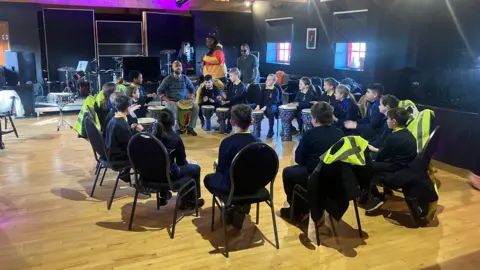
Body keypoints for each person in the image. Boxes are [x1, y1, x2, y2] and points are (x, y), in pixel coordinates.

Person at [280, 102, 344, 218]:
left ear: (314, 119)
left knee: (288, 172)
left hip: (315, 176)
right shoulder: (339, 133)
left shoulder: (310, 134)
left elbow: (299, 159)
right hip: (336, 177)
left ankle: (297, 210)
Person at [204, 104, 261, 229]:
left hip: (232, 187)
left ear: (232, 122)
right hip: (255, 186)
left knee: (208, 179)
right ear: (251, 122)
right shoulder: (260, 143)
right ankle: (240, 206)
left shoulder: (227, 143)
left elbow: (220, 170)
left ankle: (231, 206)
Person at [366, 107, 417, 213]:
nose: (387, 121)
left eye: (388, 119)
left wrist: (370, 153)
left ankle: (376, 198)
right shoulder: (408, 134)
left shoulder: (393, 137)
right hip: (407, 166)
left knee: (364, 165)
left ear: (394, 121)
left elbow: (381, 157)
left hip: (395, 168)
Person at [154, 109, 205, 209]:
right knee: (195, 168)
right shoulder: (175, 138)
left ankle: (163, 196)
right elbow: (181, 162)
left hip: (150, 174)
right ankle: (190, 202)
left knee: (161, 163)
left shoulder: (150, 136)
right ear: (173, 122)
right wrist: (189, 164)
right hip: (168, 176)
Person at [104, 95, 144, 182]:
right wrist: (139, 131)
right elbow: (130, 143)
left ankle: (126, 174)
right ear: (127, 108)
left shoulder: (115, 119)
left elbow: (124, 137)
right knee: (146, 154)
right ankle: (143, 182)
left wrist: (132, 128)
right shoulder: (120, 123)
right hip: (117, 157)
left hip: (112, 151)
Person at [157, 60, 199, 136]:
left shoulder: (185, 78)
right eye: (176, 66)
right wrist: (167, 100)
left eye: (180, 66)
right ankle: (176, 129)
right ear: (172, 68)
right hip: (172, 101)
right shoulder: (167, 79)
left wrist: (191, 97)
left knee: (196, 106)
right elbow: (159, 91)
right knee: (174, 108)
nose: (178, 67)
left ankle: (191, 128)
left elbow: (192, 89)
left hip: (184, 100)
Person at [219, 68, 247, 133]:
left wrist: (226, 102)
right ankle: (221, 124)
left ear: (236, 75)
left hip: (240, 104)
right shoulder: (231, 84)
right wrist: (222, 97)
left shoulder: (241, 86)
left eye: (231, 75)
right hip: (231, 102)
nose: (229, 77)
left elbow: (236, 98)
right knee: (218, 105)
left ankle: (229, 127)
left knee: (230, 110)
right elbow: (228, 96)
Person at [255, 74, 280, 138]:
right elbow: (259, 98)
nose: (267, 81)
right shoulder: (263, 88)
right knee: (253, 108)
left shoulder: (275, 90)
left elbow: (273, 101)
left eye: (269, 80)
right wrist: (258, 105)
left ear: (274, 82)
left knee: (270, 110)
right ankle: (257, 129)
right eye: (267, 79)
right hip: (263, 104)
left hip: (273, 105)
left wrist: (265, 107)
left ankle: (271, 130)